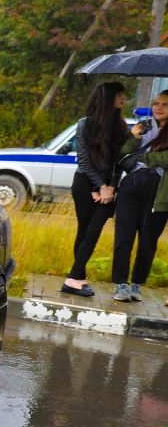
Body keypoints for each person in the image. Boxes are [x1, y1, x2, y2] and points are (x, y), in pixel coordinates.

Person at [61, 81, 130, 297]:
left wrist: (111, 188)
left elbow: (119, 162)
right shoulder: (85, 125)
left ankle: (73, 278)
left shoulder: (121, 127)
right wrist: (97, 186)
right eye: (119, 94)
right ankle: (77, 278)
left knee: (94, 231)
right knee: (85, 230)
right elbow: (83, 162)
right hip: (84, 184)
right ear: (107, 98)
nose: (123, 99)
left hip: (108, 189)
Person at [113, 90, 168, 302]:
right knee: (124, 237)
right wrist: (134, 137)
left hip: (159, 190)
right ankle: (120, 284)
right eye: (156, 103)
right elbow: (123, 153)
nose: (159, 107)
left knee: (148, 240)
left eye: (165, 104)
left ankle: (136, 284)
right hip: (133, 184)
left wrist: (144, 157)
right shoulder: (144, 126)